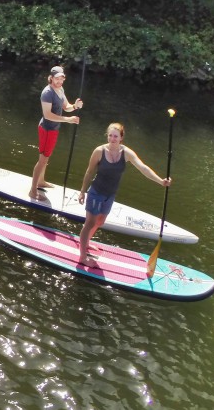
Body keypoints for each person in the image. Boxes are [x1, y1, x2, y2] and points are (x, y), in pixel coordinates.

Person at [76, 123, 171, 266]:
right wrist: (82, 191)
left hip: (110, 194)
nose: (112, 139)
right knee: (90, 223)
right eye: (110, 135)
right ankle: (82, 257)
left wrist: (161, 181)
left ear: (121, 138)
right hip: (96, 192)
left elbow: (143, 168)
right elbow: (89, 172)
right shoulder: (99, 151)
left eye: (115, 136)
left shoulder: (126, 153)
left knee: (100, 222)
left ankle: (86, 243)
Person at [28, 66, 83, 201]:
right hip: (47, 128)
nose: (59, 81)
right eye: (57, 78)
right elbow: (47, 115)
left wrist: (75, 106)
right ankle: (32, 190)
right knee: (43, 160)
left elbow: (66, 107)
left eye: (61, 78)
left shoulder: (60, 89)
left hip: (54, 128)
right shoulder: (47, 93)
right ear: (51, 78)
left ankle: (41, 181)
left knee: (46, 157)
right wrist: (67, 120)